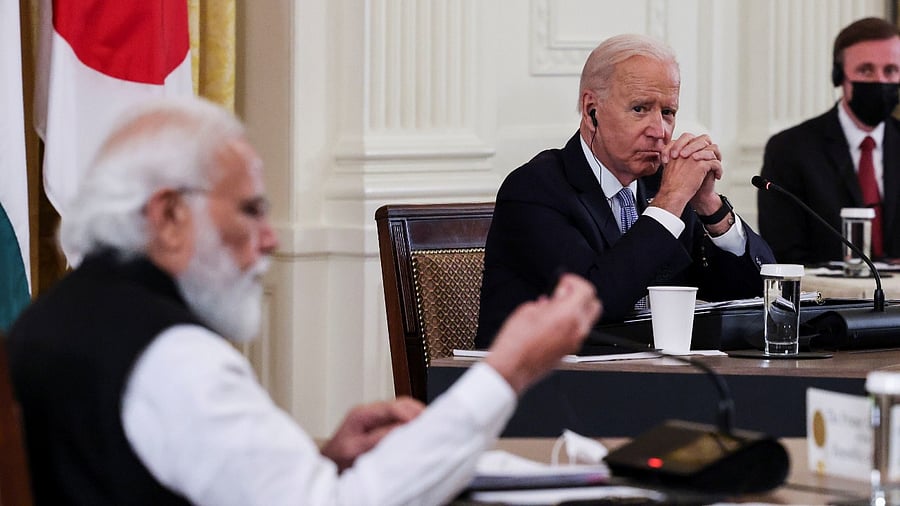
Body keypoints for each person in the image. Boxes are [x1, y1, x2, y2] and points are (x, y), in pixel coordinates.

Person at [5, 97, 602, 505]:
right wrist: (506, 371)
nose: (270, 238)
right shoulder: (172, 355)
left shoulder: (55, 319)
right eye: (251, 210)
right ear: (167, 216)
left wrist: (323, 455)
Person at [475, 34, 774, 348]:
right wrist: (670, 202)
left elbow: (758, 291)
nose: (659, 131)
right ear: (592, 111)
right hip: (548, 383)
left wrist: (710, 206)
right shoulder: (535, 189)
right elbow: (596, 304)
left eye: (668, 112)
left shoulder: (664, 186)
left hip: (654, 379)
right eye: (640, 109)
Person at [758, 17, 900, 264]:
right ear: (838, 76)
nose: (880, 81)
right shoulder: (789, 149)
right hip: (827, 299)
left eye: (891, 71)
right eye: (866, 70)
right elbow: (783, 253)